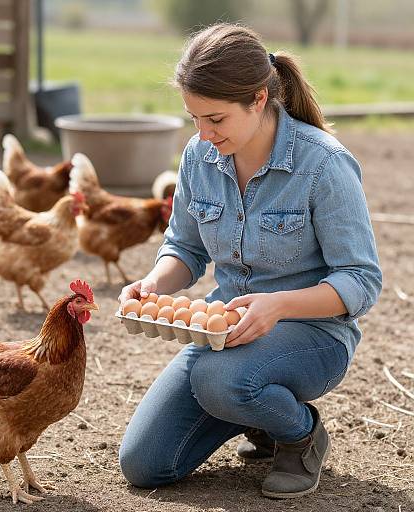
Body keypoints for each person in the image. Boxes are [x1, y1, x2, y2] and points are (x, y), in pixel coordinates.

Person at [118, 23, 382, 499]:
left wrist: (278, 306)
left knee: (217, 378)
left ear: (258, 100)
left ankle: (299, 436)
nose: (203, 133)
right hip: (226, 329)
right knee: (144, 464)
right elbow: (186, 248)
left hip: (315, 334)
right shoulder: (199, 156)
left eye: (215, 119)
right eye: (194, 118)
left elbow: (360, 282)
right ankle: (256, 413)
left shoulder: (323, 164)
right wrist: (154, 283)